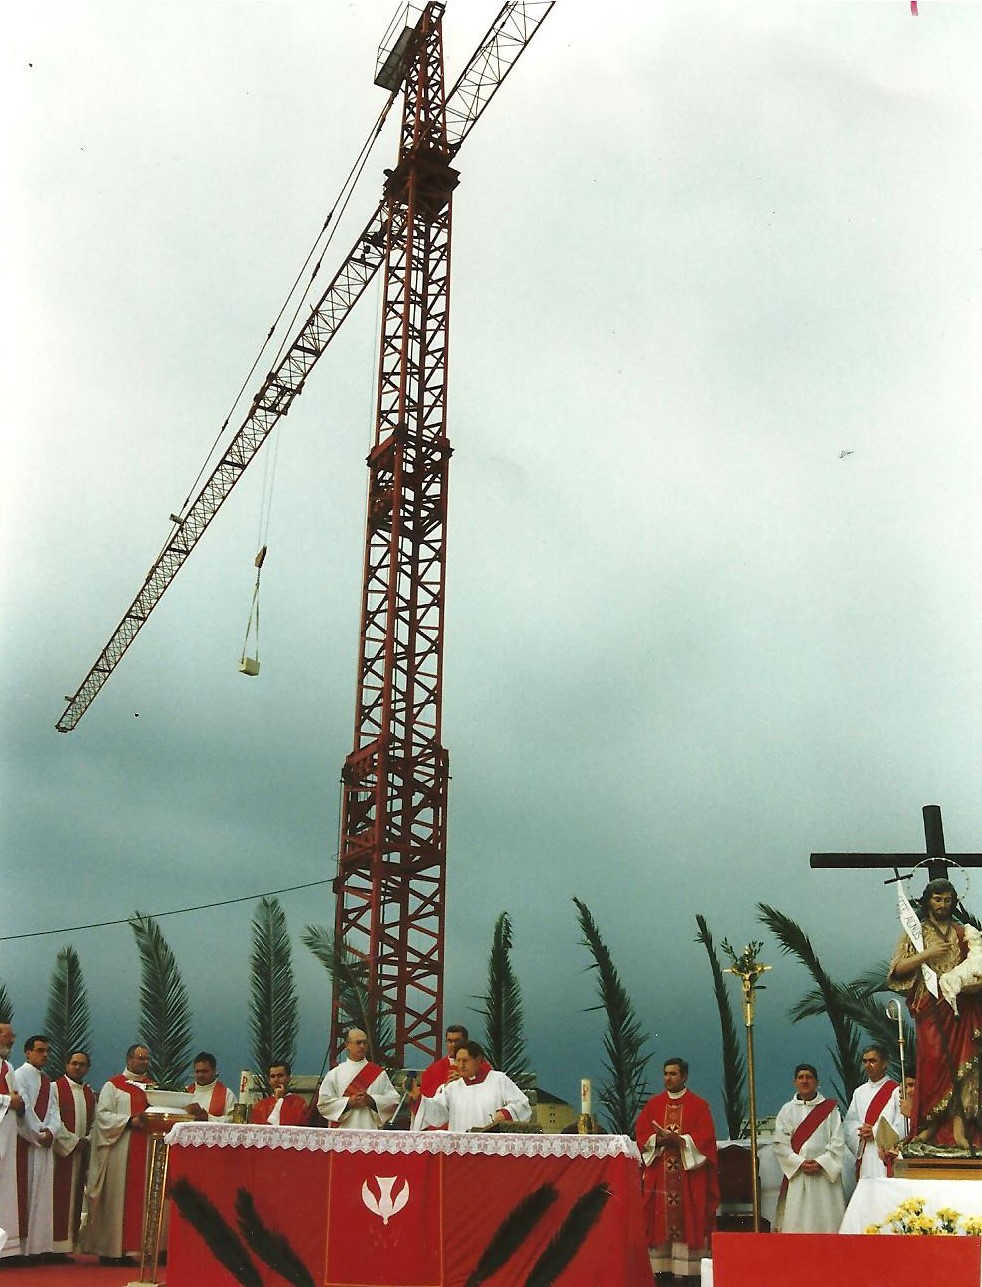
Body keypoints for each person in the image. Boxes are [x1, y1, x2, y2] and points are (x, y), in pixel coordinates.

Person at [887, 877, 982, 1150]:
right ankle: (929, 1127)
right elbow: (897, 969)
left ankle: (959, 1129)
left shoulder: (964, 933)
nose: (943, 905)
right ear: (927, 901)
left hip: (962, 1008)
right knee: (933, 1066)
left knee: (968, 1068)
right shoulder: (915, 933)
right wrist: (926, 954)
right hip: (931, 1007)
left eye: (948, 900)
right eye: (937, 899)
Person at [635, 1057, 718, 1283]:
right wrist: (658, 1141)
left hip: (687, 1177)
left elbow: (707, 1139)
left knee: (688, 1220)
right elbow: (641, 1134)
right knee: (658, 1225)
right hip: (660, 1176)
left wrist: (680, 1140)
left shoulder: (699, 1105)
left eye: (673, 1074)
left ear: (684, 1076)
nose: (668, 1078)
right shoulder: (654, 1104)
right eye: (666, 1074)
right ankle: (661, 1273)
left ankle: (688, 1276)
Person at [82, 1043, 154, 1266]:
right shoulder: (113, 1086)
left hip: (144, 1149)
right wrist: (129, 1121)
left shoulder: (153, 1087)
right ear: (129, 1059)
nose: (143, 1062)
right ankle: (110, 1250)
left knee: (138, 1198)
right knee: (116, 1198)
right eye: (139, 1058)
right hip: (119, 1149)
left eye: (146, 1059)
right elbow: (102, 1116)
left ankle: (132, 1250)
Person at [772, 1064, 846, 1233]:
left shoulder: (830, 1110)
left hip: (824, 1176)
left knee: (826, 1221)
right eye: (801, 1077)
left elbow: (838, 1140)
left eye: (809, 1077)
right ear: (795, 1082)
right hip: (799, 1174)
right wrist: (798, 1162)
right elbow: (780, 1143)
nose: (805, 1081)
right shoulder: (787, 1110)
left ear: (817, 1082)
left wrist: (822, 1162)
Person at [409, 1040, 531, 1132]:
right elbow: (438, 1114)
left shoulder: (498, 1079)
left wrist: (505, 1113)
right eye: (458, 1060)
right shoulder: (452, 1088)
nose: (461, 1065)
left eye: (465, 1060)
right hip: (460, 1150)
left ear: (478, 1060)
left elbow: (522, 1104)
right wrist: (418, 1098)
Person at [13, 1035, 62, 1260]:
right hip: (27, 1143)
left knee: (42, 1194)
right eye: (40, 1050)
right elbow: (23, 1106)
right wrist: (37, 1133)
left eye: (47, 1051)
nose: (44, 1055)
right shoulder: (18, 1075)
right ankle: (22, 1248)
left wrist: (51, 1131)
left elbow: (54, 1111)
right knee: (26, 1192)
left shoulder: (48, 1082)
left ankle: (39, 1247)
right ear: (27, 1052)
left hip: (43, 1144)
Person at [52, 1050, 96, 1255]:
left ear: (88, 1068)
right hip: (60, 1154)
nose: (77, 1067)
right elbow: (52, 1119)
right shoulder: (55, 1089)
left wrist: (86, 1141)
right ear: (66, 1065)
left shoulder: (89, 1093)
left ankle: (68, 1245)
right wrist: (71, 1142)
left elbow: (95, 1123)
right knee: (57, 1197)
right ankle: (52, 1247)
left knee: (75, 1198)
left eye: (82, 1064)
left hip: (80, 1153)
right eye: (74, 1063)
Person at [317, 1029, 400, 1129]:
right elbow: (324, 1103)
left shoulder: (379, 1074)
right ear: (347, 1045)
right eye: (358, 1043)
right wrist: (348, 1103)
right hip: (342, 1133)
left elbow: (393, 1100)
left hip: (369, 1132)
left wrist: (372, 1101)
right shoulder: (335, 1074)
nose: (362, 1046)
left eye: (364, 1042)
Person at [842, 1046, 904, 1179]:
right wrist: (860, 1132)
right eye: (865, 1061)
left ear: (885, 1063)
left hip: (886, 1155)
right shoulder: (859, 1092)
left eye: (873, 1061)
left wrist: (875, 1132)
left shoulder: (896, 1091)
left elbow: (902, 1124)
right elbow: (849, 1123)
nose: (868, 1065)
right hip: (865, 1154)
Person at [0, 1022, 27, 1262]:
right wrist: (8, 1101)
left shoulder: (8, 1067)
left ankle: (5, 1248)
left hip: (6, 1136)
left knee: (5, 1189)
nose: (12, 1040)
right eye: (9, 1036)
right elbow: (12, 1099)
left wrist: (17, 1103)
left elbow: (19, 1098)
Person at [412, 1023, 469, 1130]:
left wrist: (465, 1081)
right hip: (441, 1129)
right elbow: (425, 1104)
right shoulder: (433, 1070)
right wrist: (445, 1088)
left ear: (466, 1042)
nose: (453, 1045)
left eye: (457, 1041)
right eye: (449, 1041)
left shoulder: (480, 1066)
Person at [250, 1062, 309, 1126]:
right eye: (272, 1076)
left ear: (288, 1078)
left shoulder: (299, 1102)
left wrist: (280, 1100)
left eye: (280, 1075)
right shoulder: (261, 1105)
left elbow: (296, 1124)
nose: (276, 1079)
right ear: (269, 1081)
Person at [185, 1051, 236, 1122]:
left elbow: (234, 1120)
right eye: (197, 1071)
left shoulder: (227, 1094)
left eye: (204, 1071)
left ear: (214, 1071)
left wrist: (208, 1118)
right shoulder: (185, 1092)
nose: (200, 1075)